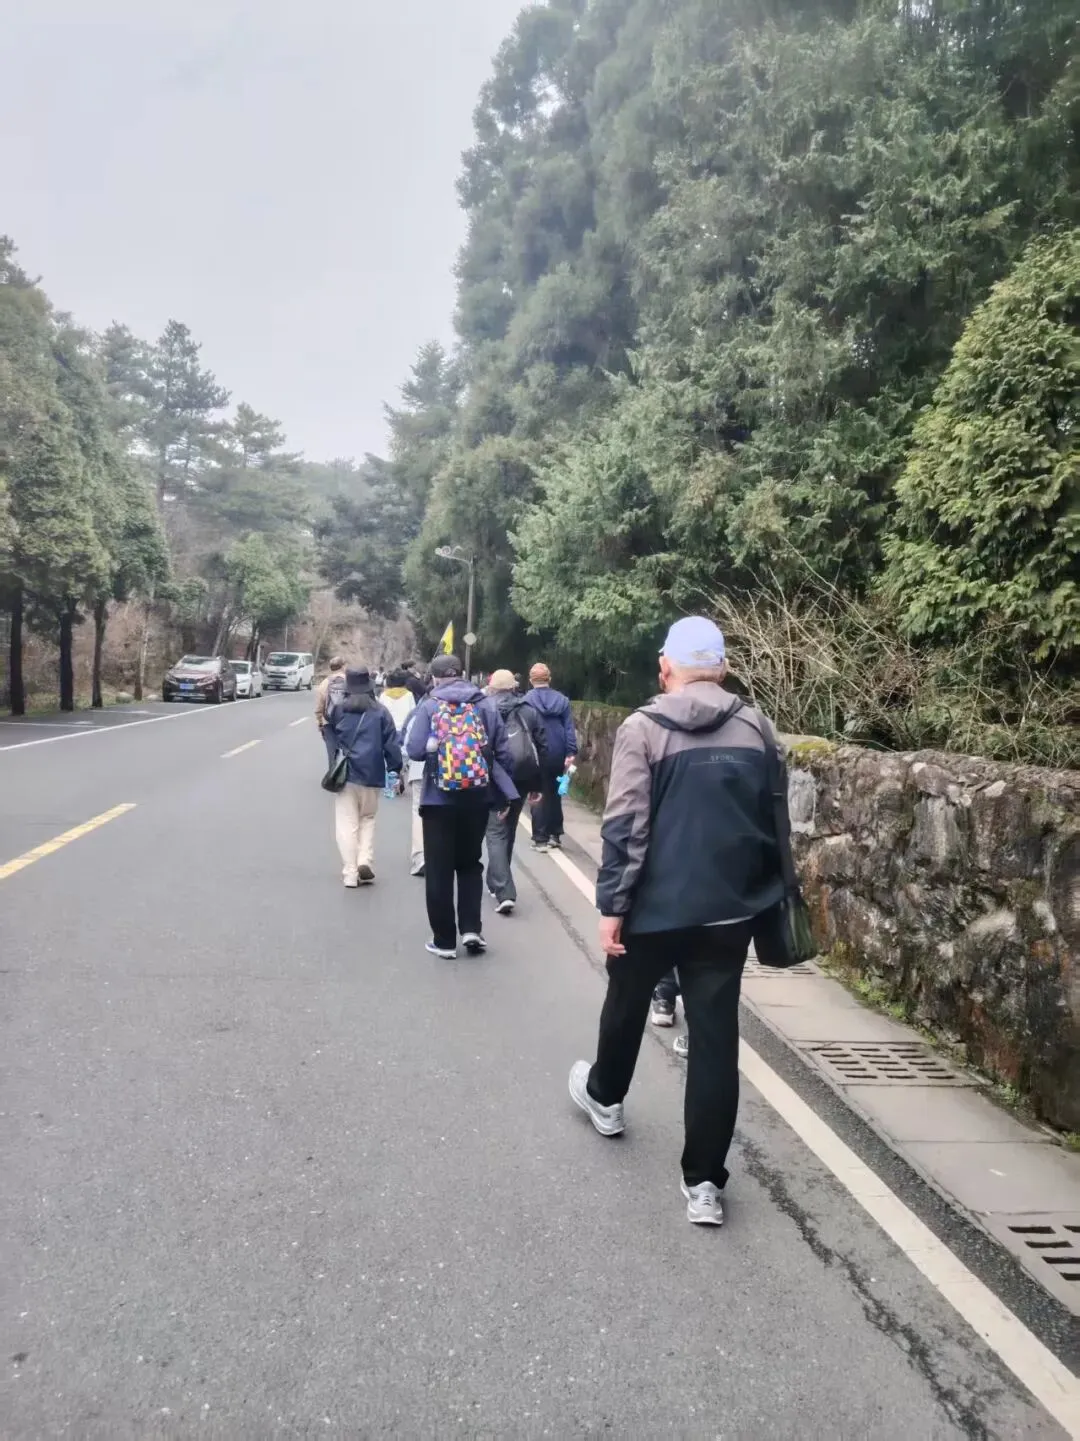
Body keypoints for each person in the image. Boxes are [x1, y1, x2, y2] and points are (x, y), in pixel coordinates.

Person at [568, 616, 788, 1226]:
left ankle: (605, 1097)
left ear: (666, 667)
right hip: (728, 913)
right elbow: (772, 823)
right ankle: (705, 1184)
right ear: (722, 668)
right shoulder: (757, 728)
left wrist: (613, 907)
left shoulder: (643, 728)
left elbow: (625, 826)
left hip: (652, 910)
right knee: (715, 1040)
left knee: (626, 1002)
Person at [406, 654, 518, 958]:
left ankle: (444, 941)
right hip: (477, 799)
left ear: (434, 677)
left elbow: (414, 750)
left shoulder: (429, 706)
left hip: (438, 800)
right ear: (463, 673)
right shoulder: (485, 705)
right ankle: (471, 929)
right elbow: (503, 753)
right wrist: (502, 794)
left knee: (439, 870)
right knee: (470, 864)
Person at [324, 667, 402, 888]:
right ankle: (364, 859)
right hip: (372, 774)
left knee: (346, 824)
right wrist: (395, 769)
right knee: (368, 818)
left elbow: (330, 737)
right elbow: (392, 745)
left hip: (346, 774)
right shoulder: (381, 712)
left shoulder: (338, 710)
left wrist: (333, 763)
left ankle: (350, 873)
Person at [484, 669, 547, 915]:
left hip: (492, 777)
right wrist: (537, 785)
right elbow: (541, 748)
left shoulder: (484, 708)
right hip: (520, 778)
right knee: (507, 829)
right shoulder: (528, 711)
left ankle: (503, 890)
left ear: (492, 687)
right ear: (513, 687)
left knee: (495, 831)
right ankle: (496, 881)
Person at [524, 662, 577, 851]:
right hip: (558, 751)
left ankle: (540, 838)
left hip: (536, 752)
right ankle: (555, 834)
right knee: (555, 793)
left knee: (537, 791)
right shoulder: (562, 700)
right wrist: (570, 752)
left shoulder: (526, 700)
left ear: (531, 680)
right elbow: (569, 728)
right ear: (549, 679)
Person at [380, 669, 416, 799]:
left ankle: (392, 778)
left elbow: (380, 712)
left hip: (388, 729)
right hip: (403, 730)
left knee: (389, 755)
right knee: (403, 756)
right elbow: (413, 713)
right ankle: (399, 775)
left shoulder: (384, 695)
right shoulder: (409, 695)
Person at [314, 656, 346, 734]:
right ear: (343, 666)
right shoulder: (350, 681)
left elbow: (319, 708)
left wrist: (320, 724)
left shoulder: (324, 683)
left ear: (330, 668)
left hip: (329, 723)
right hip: (347, 722)